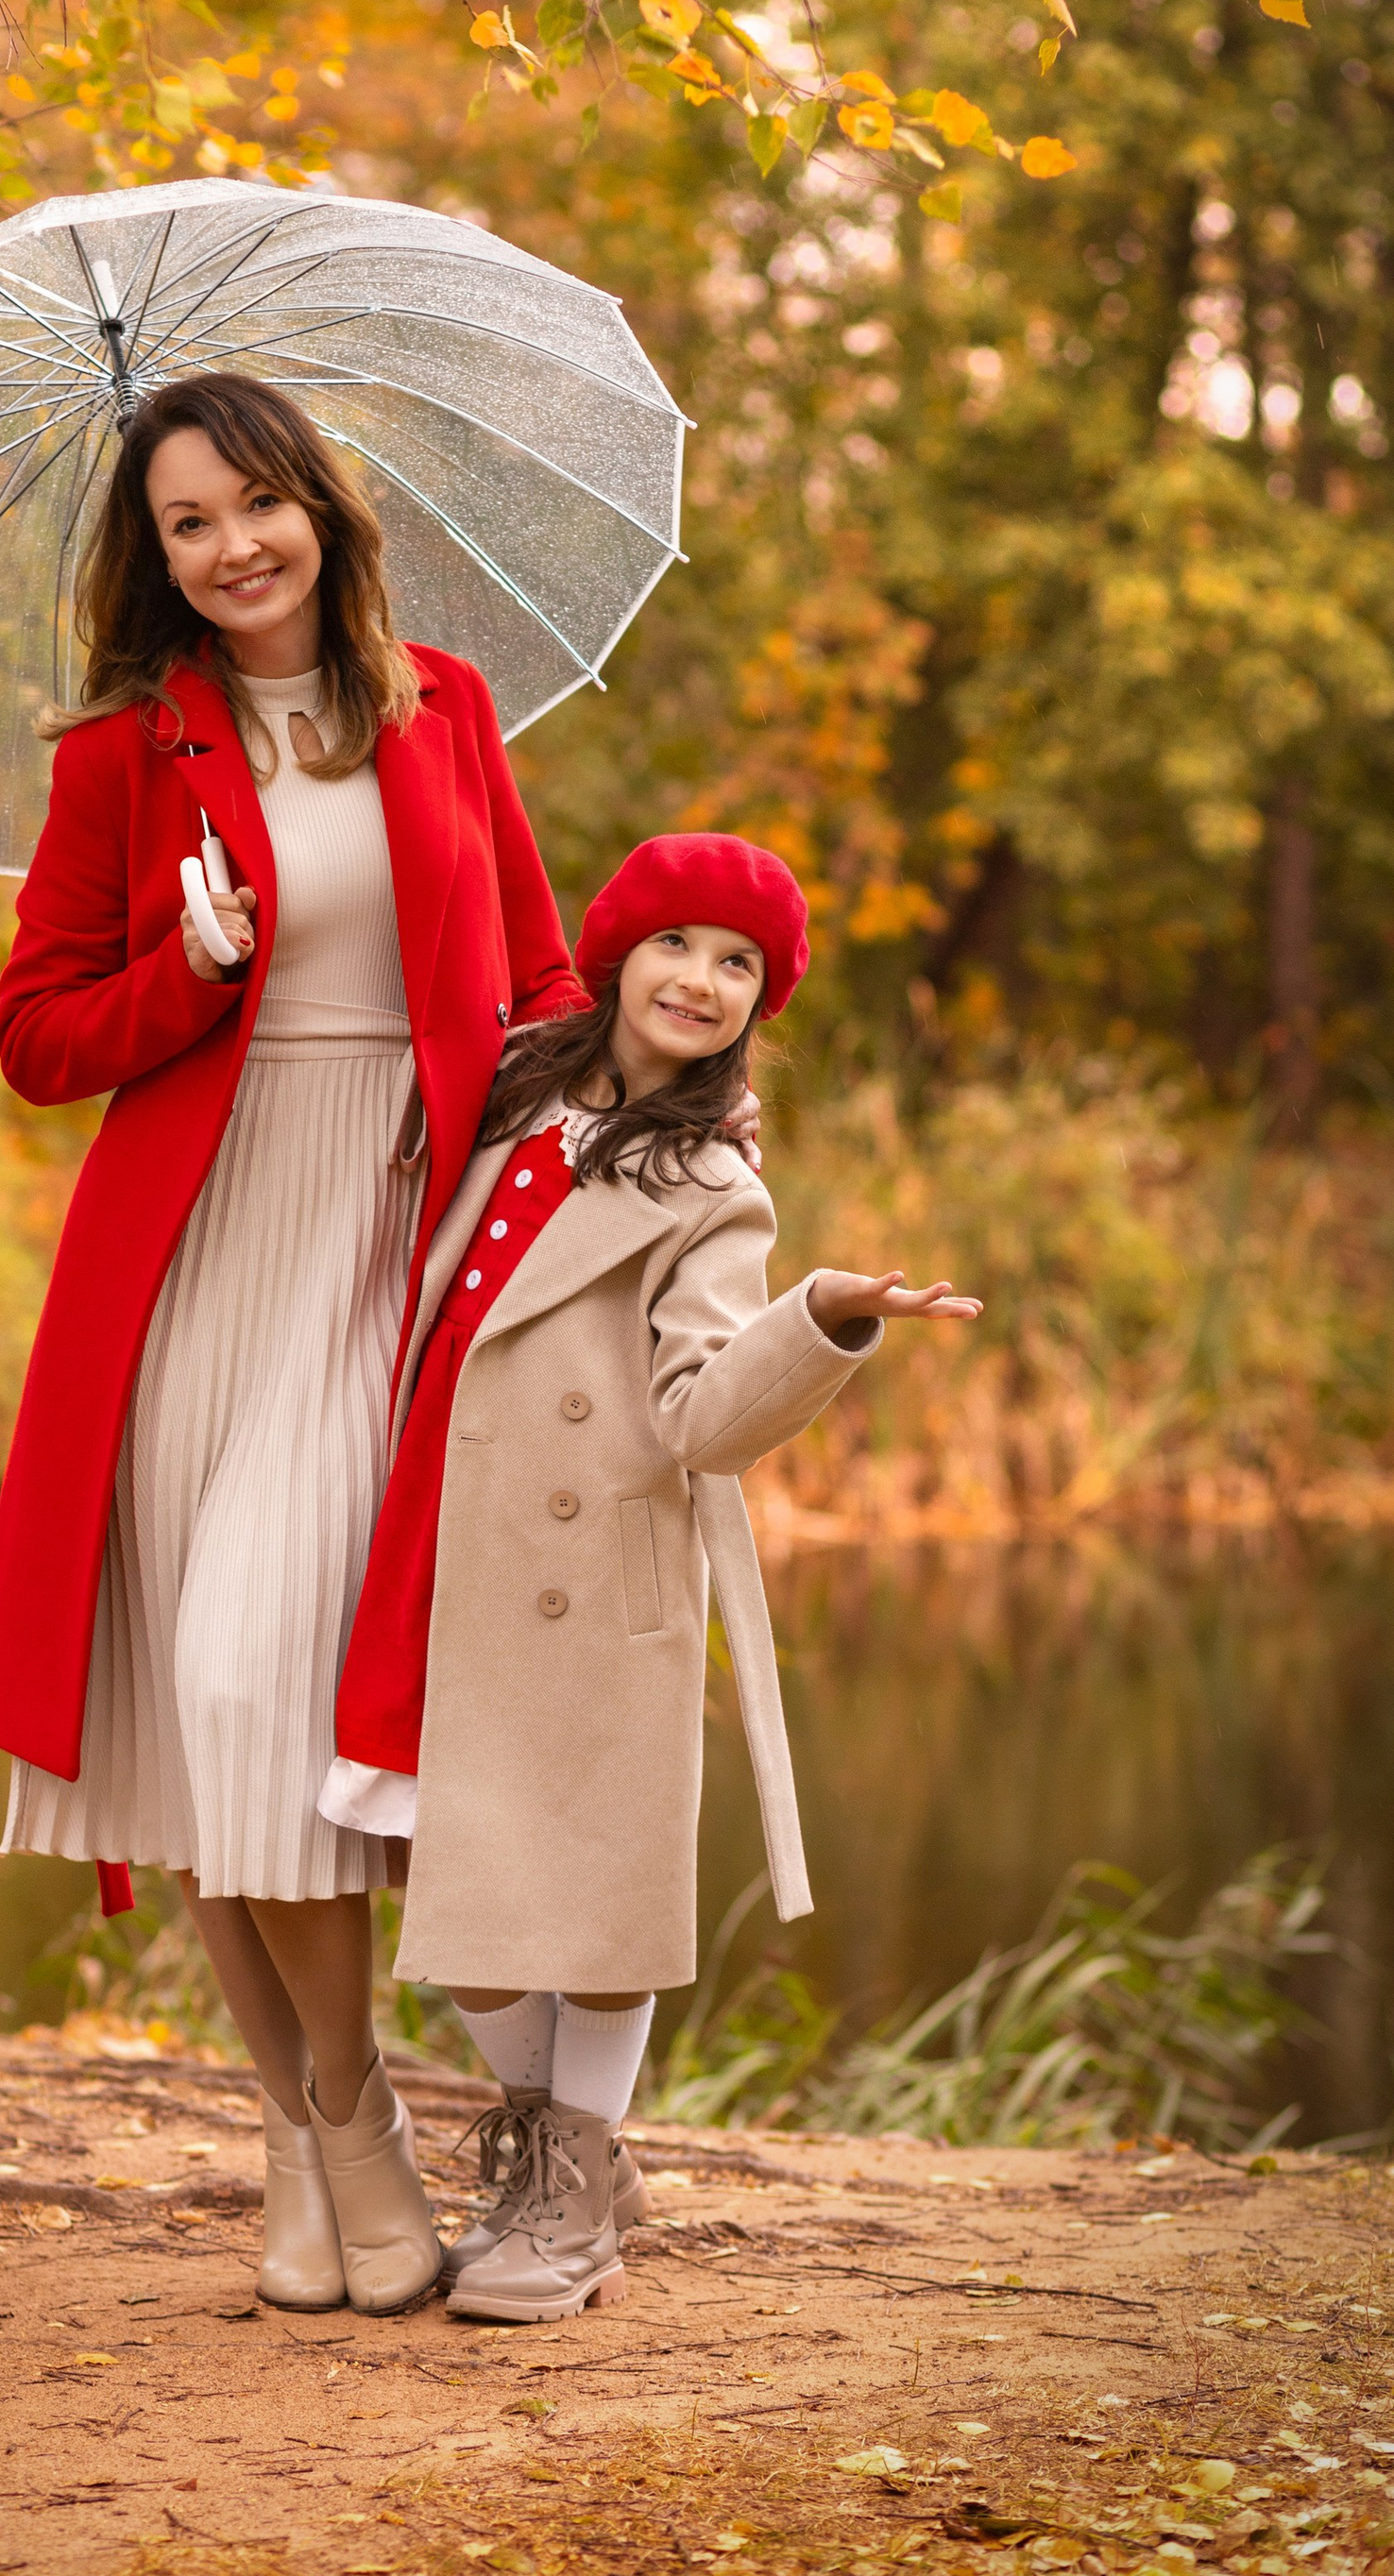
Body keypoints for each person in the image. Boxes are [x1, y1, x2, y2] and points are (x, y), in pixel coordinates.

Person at [0, 367, 582, 2316]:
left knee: (262, 1684)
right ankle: (332, 2122)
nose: (232, 546)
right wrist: (190, 966)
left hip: (387, 1242)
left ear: (318, 508)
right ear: (153, 559)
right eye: (187, 523)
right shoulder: (121, 756)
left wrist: (644, 1120)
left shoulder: (444, 708)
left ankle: (334, 2117)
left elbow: (542, 978)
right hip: (193, 1261)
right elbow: (35, 1036)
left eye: (256, 504)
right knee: (202, 1716)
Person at [328, 831, 983, 2323]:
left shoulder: (715, 1183)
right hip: (437, 1528)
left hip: (587, 1564)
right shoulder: (509, 1090)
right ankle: (565, 2157)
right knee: (443, 1860)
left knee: (597, 1897)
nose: (702, 979)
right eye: (678, 944)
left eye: (740, 964)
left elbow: (703, 1420)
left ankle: (567, 2186)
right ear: (616, 954)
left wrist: (819, 1318)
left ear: (761, 1003)